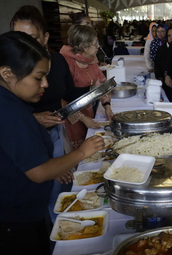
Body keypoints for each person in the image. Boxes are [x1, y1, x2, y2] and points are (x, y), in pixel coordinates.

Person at [0, 31, 106, 255]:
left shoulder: (12, 103)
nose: (45, 84)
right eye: (38, 77)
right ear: (7, 73)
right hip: (15, 220)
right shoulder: (9, 111)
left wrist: (55, 167)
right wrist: (81, 153)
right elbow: (37, 172)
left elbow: (24, 158)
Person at [10, 5, 90, 223]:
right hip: (28, 143)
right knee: (44, 198)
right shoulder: (10, 79)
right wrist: (34, 119)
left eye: (32, 38)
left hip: (55, 134)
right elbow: (10, 116)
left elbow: (70, 94)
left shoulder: (57, 62)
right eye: (19, 38)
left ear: (45, 38)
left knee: (61, 191)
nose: (43, 84)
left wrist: (96, 88)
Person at [60, 25, 114, 150]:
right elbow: (62, 100)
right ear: (84, 46)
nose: (99, 46)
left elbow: (100, 86)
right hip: (71, 117)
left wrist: (107, 107)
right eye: (95, 44)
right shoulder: (66, 63)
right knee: (80, 151)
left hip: (88, 110)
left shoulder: (91, 60)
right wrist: (83, 119)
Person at [154, 24, 172, 101]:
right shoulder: (162, 49)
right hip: (165, 83)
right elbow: (157, 65)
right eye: (169, 35)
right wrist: (160, 78)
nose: (171, 38)